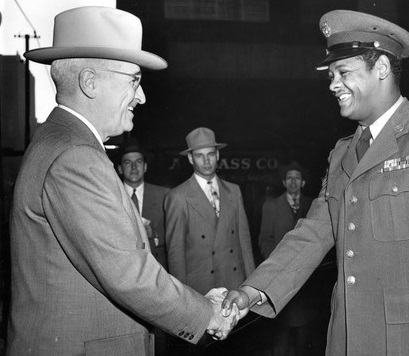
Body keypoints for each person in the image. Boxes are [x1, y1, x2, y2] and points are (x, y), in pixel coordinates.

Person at [222, 9, 409, 355]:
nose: (333, 84)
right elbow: (312, 234)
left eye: (343, 72)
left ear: (381, 68)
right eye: (331, 74)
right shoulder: (342, 154)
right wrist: (251, 291)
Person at [7, 7, 239, 355]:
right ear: (90, 82)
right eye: (134, 80)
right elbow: (127, 274)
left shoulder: (60, 143)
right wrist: (207, 314)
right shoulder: (75, 157)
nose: (142, 96)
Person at [164, 127, 255, 295]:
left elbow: (245, 243)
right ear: (191, 159)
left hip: (234, 283)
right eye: (200, 155)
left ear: (218, 155)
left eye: (211, 154)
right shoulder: (178, 197)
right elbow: (176, 255)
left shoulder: (234, 191)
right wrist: (182, 298)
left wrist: (251, 288)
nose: (206, 161)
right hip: (201, 288)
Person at [258, 161, 314, 356]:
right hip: (280, 279)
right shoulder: (271, 206)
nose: (293, 181)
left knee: (304, 331)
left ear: (303, 182)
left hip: (307, 280)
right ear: (283, 182)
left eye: (297, 178)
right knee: (281, 330)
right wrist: (278, 263)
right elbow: (264, 240)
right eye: (289, 178)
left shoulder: (314, 205)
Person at [118, 138, 170, 270]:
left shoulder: (165, 196)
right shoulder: (110, 196)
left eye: (139, 162)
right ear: (120, 169)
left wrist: (155, 234)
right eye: (128, 162)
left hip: (158, 268)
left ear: (145, 167)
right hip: (122, 268)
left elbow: (176, 238)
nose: (134, 167)